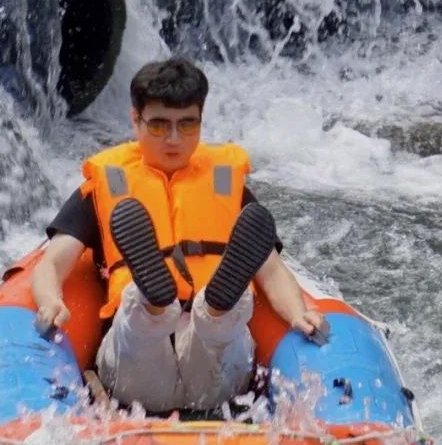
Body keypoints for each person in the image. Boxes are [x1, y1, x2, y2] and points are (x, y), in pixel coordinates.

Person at [31, 58, 326, 414]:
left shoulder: (226, 187)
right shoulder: (105, 187)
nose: (173, 139)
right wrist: (50, 301)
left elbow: (272, 270)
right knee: (140, 312)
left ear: (201, 122)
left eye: (186, 125)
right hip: (138, 371)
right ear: (135, 120)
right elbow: (52, 262)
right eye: (159, 125)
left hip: (210, 373)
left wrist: (298, 314)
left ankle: (214, 306)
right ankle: (158, 303)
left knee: (224, 316)